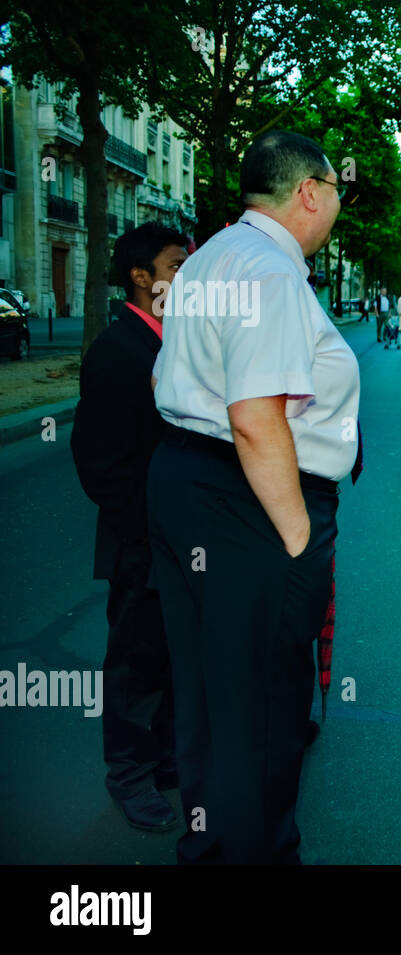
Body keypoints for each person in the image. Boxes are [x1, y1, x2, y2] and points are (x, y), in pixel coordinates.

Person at [148, 129, 361, 863]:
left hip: (187, 483)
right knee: (264, 708)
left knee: (209, 695)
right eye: (336, 190)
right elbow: (253, 415)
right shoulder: (270, 271)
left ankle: (210, 848)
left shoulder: (210, 257)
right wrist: (299, 539)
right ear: (308, 191)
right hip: (253, 503)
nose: (337, 205)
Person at [70, 223, 188, 833]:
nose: (185, 272)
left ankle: (164, 760)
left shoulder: (172, 341)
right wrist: (148, 531)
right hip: (142, 543)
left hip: (175, 542)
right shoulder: (118, 350)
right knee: (134, 666)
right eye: (176, 263)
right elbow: (99, 465)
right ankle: (129, 777)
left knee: (169, 658)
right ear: (143, 277)